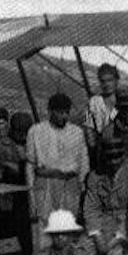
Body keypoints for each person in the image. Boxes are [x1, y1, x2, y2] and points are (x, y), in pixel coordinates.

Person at [26, 93, 90, 234]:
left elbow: (83, 161)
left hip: (70, 186)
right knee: (45, 230)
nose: (64, 116)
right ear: (50, 111)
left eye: (66, 112)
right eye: (60, 112)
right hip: (45, 185)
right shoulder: (36, 131)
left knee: (67, 228)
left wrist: (83, 186)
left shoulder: (77, 132)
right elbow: (30, 164)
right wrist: (31, 196)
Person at [83, 139, 128, 255]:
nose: (114, 161)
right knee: (84, 249)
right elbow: (90, 210)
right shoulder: (95, 177)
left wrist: (116, 239)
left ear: (123, 155)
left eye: (117, 156)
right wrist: (97, 236)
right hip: (101, 224)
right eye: (110, 157)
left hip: (124, 227)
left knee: (116, 254)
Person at [83, 64, 120, 145]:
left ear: (116, 81)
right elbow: (88, 126)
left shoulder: (123, 100)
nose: (106, 84)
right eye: (103, 81)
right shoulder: (94, 101)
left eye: (110, 80)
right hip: (102, 145)